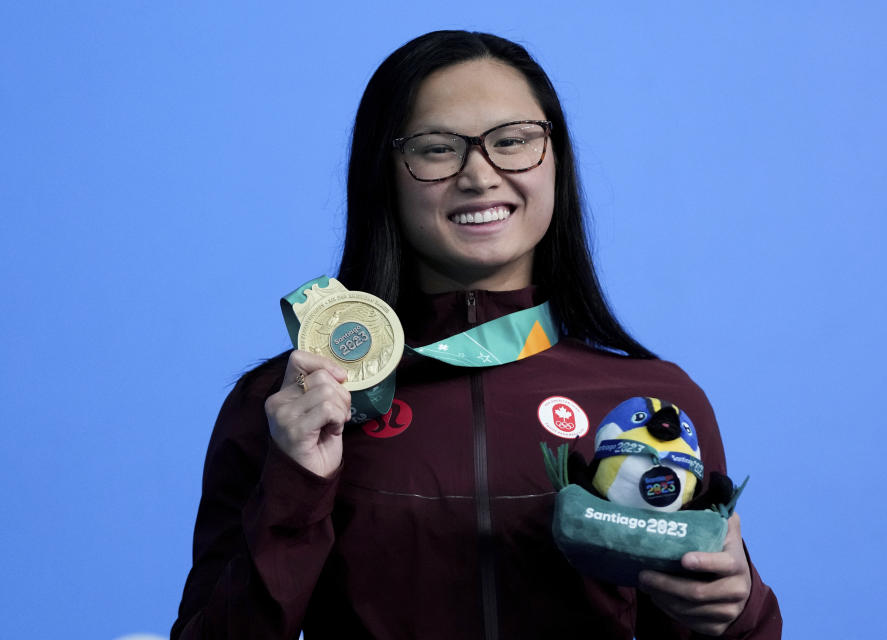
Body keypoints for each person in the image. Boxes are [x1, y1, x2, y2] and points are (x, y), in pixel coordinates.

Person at [172, 30, 781, 639]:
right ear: (383, 172)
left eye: (513, 142)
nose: (480, 176)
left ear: (557, 160)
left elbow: (716, 617)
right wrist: (296, 484)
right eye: (437, 149)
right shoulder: (290, 405)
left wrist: (736, 610)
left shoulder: (652, 407)